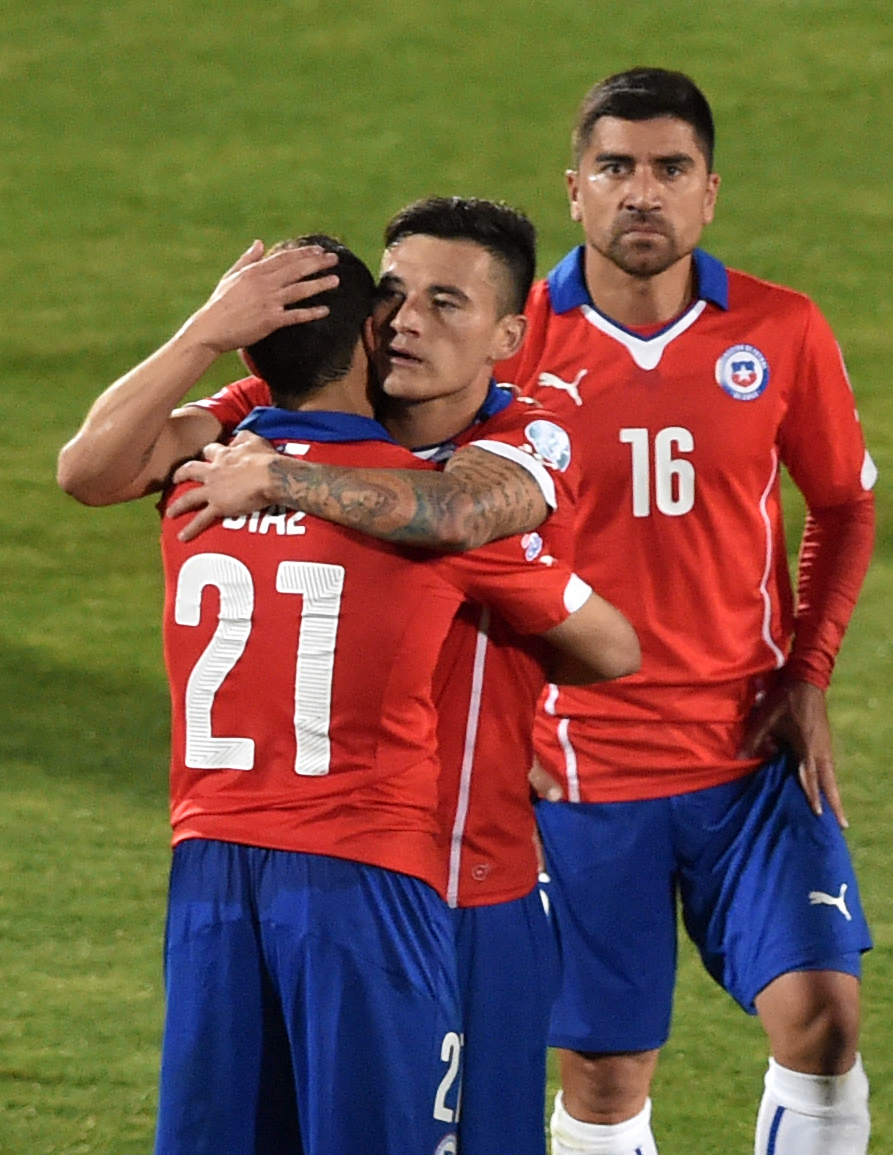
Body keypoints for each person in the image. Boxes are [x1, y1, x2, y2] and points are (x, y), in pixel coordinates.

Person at [60, 209, 640, 1154]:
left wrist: (284, 482)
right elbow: (86, 471)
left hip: (473, 879)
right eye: (393, 296)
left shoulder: (529, 436)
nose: (407, 321)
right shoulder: (267, 418)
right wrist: (212, 335)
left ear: (508, 336)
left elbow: (450, 512)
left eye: (445, 302)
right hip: (372, 874)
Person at [489, 68, 877, 1155]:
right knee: (605, 1077)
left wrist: (808, 674)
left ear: (710, 192)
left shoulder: (782, 330)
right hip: (578, 767)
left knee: (824, 1022)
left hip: (748, 757)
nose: (641, 193)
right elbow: (447, 548)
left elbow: (842, 504)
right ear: (574, 190)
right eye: (616, 168)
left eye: (669, 169)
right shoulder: (512, 349)